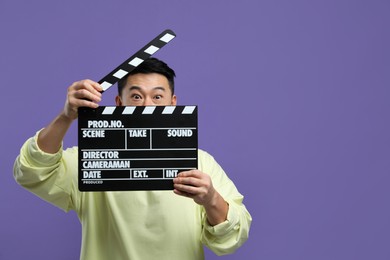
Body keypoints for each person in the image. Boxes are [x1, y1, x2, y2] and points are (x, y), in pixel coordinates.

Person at [14, 58, 252, 260]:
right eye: (136, 96)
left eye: (157, 97)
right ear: (119, 103)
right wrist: (65, 117)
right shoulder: (92, 159)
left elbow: (232, 236)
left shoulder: (200, 163)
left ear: (173, 103)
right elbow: (33, 171)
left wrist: (211, 198)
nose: (147, 105)